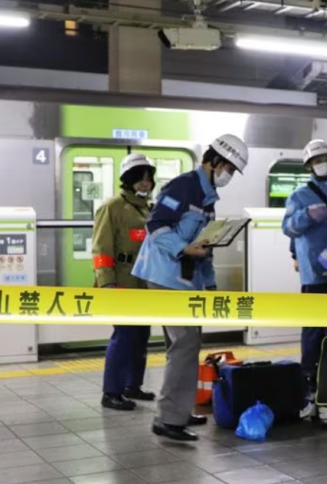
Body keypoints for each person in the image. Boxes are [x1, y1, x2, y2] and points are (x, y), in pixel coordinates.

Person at [132, 134, 249, 441]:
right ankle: (168, 419)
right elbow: (156, 225)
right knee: (184, 343)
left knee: (186, 344)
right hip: (163, 275)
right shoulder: (184, 186)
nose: (230, 176)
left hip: (185, 280)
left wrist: (210, 285)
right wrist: (185, 248)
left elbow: (204, 247)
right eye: (230, 169)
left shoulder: (208, 199)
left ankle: (178, 411)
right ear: (215, 162)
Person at [282, 140, 327, 397]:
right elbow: (287, 228)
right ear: (309, 166)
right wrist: (306, 216)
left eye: (326, 159)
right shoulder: (299, 196)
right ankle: (308, 379)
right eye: (316, 160)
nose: (322, 164)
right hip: (314, 271)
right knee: (313, 329)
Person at [94, 153, 159, 411]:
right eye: (140, 179)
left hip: (144, 281)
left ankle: (133, 386)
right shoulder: (111, 208)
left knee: (141, 335)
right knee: (124, 335)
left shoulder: (150, 209)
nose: (145, 184)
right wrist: (106, 283)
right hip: (121, 282)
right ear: (128, 180)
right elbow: (100, 249)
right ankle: (111, 391)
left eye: (148, 179)